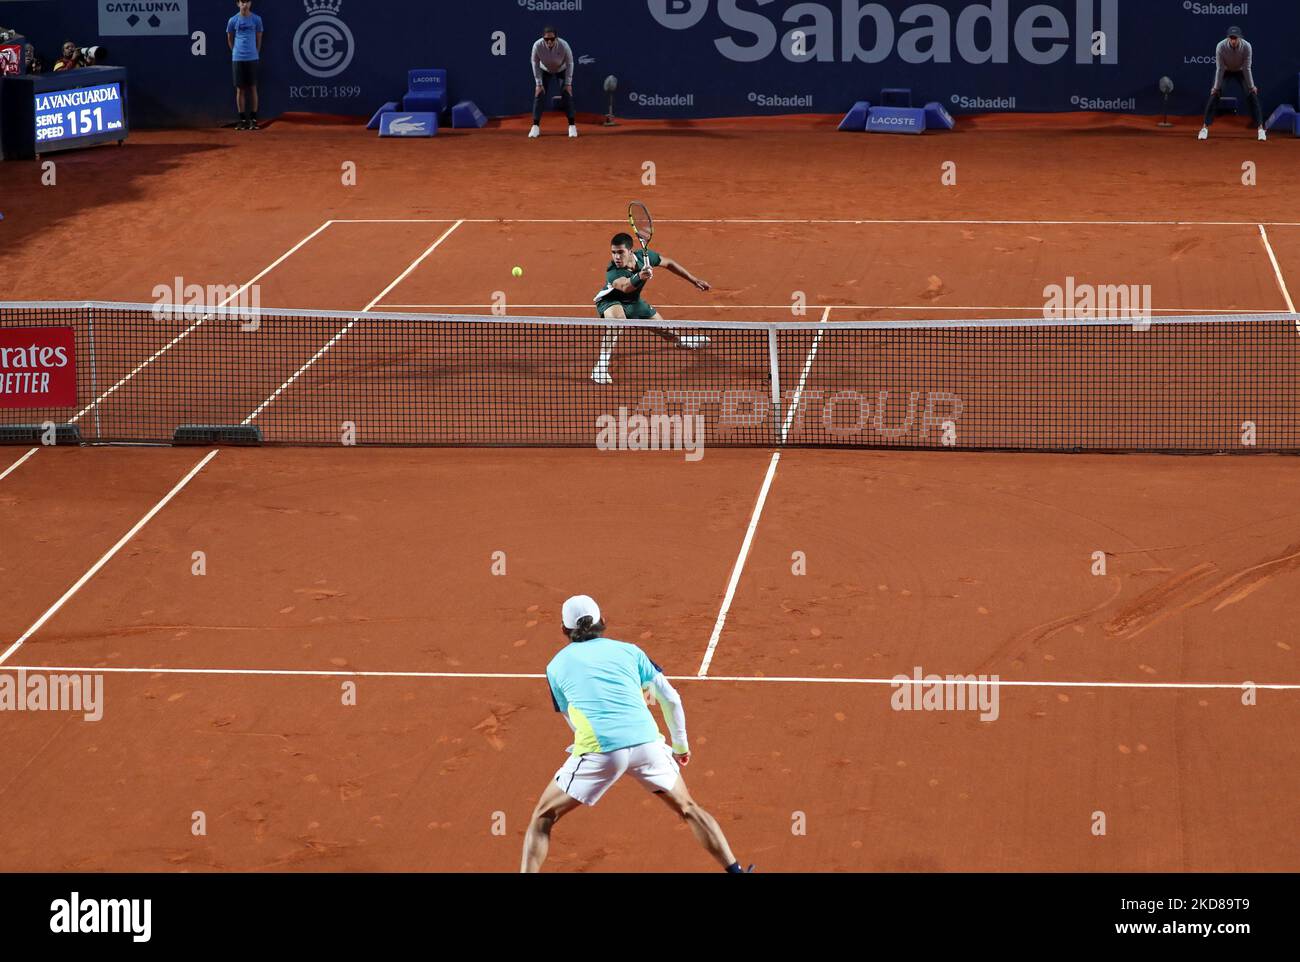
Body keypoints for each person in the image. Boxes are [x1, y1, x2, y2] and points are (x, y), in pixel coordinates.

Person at [521, 595, 752, 873]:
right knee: (689, 808)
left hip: (600, 750)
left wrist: (594, 752)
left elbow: (573, 720)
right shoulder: (630, 651)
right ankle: (737, 872)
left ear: (564, 629)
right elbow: (672, 700)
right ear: (602, 622)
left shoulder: (555, 666)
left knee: (543, 816)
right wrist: (680, 747)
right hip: (647, 744)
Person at [590, 233, 711, 385]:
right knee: (618, 321)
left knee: (666, 330)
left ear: (630, 252)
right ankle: (600, 367)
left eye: (620, 252)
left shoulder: (645, 257)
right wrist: (640, 276)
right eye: (613, 252)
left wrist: (694, 280)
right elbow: (625, 286)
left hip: (634, 303)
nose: (616, 257)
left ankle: (681, 341)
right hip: (611, 301)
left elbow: (669, 263)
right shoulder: (613, 270)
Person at [1199, 25, 1266, 142]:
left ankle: (1260, 129)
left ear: (1240, 38)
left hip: (1241, 71)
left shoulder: (1247, 46)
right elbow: (1219, 68)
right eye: (1231, 38)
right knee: (1214, 95)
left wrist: (1251, 86)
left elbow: (1247, 68)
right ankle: (1204, 128)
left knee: (1252, 95)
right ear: (1228, 38)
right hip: (1225, 71)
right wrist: (1216, 87)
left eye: (1236, 38)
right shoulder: (1220, 46)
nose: (1233, 40)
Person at [529, 26, 577, 139]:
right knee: (539, 94)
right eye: (546, 39)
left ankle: (572, 126)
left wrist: (568, 83)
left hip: (562, 70)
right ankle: (535, 127)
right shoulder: (537, 45)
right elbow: (534, 63)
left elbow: (570, 63)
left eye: (552, 39)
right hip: (544, 70)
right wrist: (538, 83)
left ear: (556, 38)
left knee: (567, 94)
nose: (549, 41)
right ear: (543, 38)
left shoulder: (564, 45)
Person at [227, 0, 264, 131]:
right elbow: (230, 39)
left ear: (251, 3)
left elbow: (259, 38)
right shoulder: (232, 20)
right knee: (240, 90)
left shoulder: (257, 20)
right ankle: (242, 120)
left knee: (253, 88)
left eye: (247, 2)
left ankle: (253, 119)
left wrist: (255, 52)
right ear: (238, 4)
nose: (245, 4)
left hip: (252, 58)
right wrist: (235, 52)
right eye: (242, 2)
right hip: (237, 58)